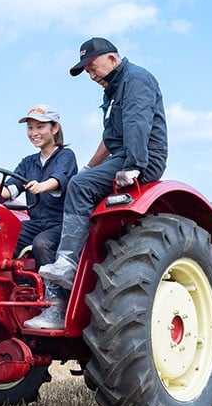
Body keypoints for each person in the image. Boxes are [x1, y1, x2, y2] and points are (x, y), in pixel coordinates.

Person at [25, 37, 167, 330]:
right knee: (79, 182)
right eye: (87, 72)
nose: (91, 76)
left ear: (112, 59)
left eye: (92, 68)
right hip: (123, 154)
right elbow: (110, 138)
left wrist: (134, 166)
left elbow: (137, 123)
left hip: (143, 156)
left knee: (79, 186)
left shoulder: (136, 79)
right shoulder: (113, 90)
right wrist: (90, 168)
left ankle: (67, 263)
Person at [0, 104, 78, 268]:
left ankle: (53, 283)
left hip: (60, 224)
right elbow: (13, 187)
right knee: (2, 233)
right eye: (30, 128)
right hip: (36, 223)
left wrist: (42, 186)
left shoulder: (65, 156)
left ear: (55, 128)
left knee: (42, 243)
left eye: (40, 127)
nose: (34, 133)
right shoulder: (28, 162)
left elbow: (59, 179)